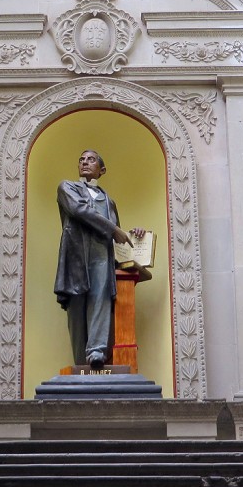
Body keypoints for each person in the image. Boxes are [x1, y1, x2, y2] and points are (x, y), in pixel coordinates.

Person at [54, 149, 145, 370]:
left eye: (91, 159)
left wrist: (136, 235)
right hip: (76, 255)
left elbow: (118, 238)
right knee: (76, 309)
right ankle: (80, 362)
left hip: (102, 257)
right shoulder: (67, 187)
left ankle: (96, 351)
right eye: (81, 159)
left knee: (100, 300)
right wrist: (114, 229)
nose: (85, 162)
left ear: (102, 170)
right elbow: (79, 210)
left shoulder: (109, 202)